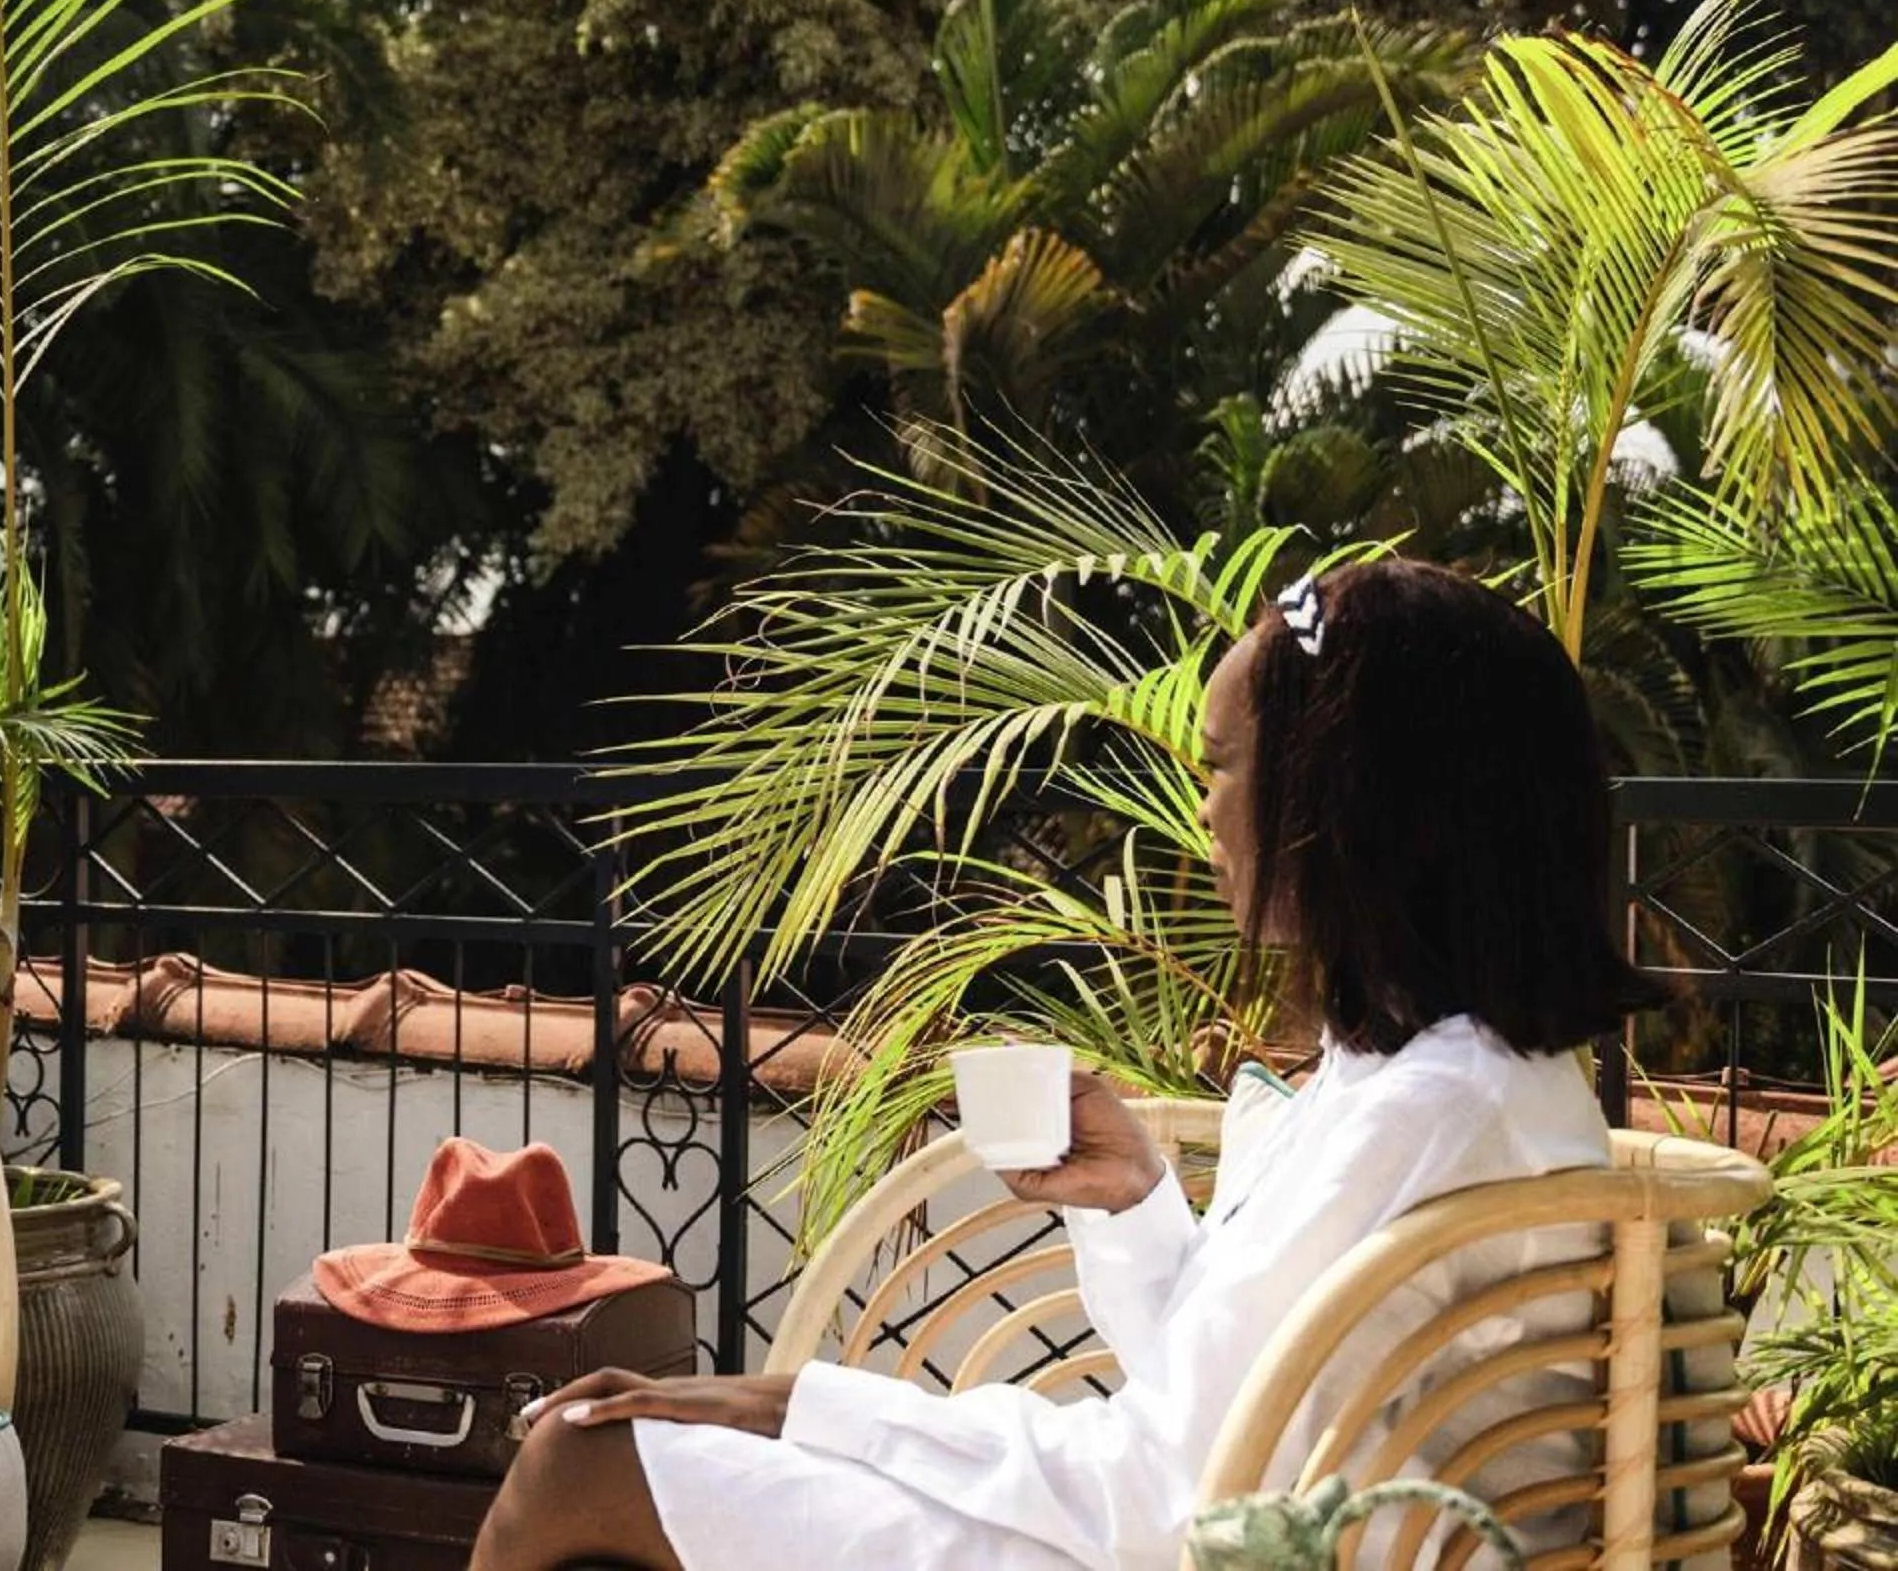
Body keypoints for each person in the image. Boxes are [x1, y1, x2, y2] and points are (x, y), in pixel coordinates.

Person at [472, 558, 1663, 1571]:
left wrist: (794, 1404)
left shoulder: (1425, 1110)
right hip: (1207, 1527)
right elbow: (1225, 1406)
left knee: (575, 1465)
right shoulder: (1468, 1081)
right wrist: (1141, 1204)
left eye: (1224, 765)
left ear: (1345, 799)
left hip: (1169, 1547)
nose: (1205, 809)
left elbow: (1174, 1489)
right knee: (615, 1460)